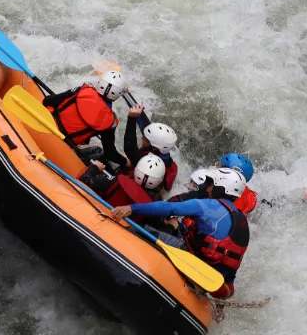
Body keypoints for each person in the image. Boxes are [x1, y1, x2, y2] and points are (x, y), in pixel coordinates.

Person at [111, 168, 249, 299]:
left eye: (212, 184)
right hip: (213, 278)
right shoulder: (242, 221)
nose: (209, 188)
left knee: (140, 230)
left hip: (192, 261)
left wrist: (132, 208)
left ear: (221, 187)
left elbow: (169, 208)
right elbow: (232, 264)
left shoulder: (209, 205)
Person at [42, 70, 128, 169]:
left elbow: (47, 101)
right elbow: (110, 154)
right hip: (60, 144)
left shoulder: (81, 90)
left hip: (44, 123)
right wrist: (125, 162)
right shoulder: (109, 122)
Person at [80, 154, 166, 213]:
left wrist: (95, 167)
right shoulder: (153, 205)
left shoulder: (116, 182)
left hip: (100, 212)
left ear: (136, 170)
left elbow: (84, 180)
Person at [122, 104, 179, 191]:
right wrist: (138, 111)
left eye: (145, 139)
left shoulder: (149, 161)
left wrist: (131, 118)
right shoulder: (164, 153)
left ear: (154, 148)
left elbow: (129, 146)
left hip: (140, 189)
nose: (142, 137)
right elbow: (147, 127)